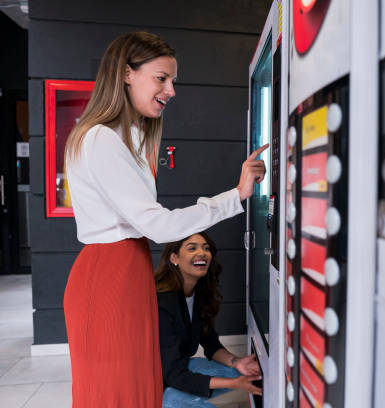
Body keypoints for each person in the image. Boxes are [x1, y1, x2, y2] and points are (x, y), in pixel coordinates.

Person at [63, 31, 267, 407]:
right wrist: (235, 196)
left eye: (172, 80)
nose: (171, 90)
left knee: (135, 389)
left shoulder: (123, 138)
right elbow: (156, 225)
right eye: (162, 77)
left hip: (125, 272)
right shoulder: (101, 139)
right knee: (116, 394)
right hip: (109, 276)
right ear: (127, 74)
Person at [155, 231, 262, 407]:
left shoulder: (198, 294)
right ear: (174, 258)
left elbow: (210, 343)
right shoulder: (162, 303)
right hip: (156, 384)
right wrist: (234, 384)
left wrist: (238, 362)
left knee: (250, 372)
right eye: (192, 248)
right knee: (178, 400)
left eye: (206, 248)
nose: (202, 253)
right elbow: (174, 375)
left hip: (180, 369)